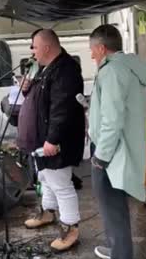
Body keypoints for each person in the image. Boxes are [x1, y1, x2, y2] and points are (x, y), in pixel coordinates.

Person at [88, 24, 146, 259]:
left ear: (102, 48)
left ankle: (121, 253)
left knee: (112, 207)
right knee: (115, 207)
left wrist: (101, 156)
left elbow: (112, 120)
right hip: (120, 147)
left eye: (92, 49)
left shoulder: (111, 72)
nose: (91, 54)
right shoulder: (127, 68)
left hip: (111, 151)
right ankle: (116, 249)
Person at [22, 29, 86, 252]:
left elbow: (62, 109)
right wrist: (26, 89)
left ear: (47, 47)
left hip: (58, 140)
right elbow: (41, 101)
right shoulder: (46, 68)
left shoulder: (66, 70)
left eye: (34, 46)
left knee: (60, 183)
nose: (32, 51)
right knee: (46, 177)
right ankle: (48, 212)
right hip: (43, 138)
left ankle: (70, 228)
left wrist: (52, 139)